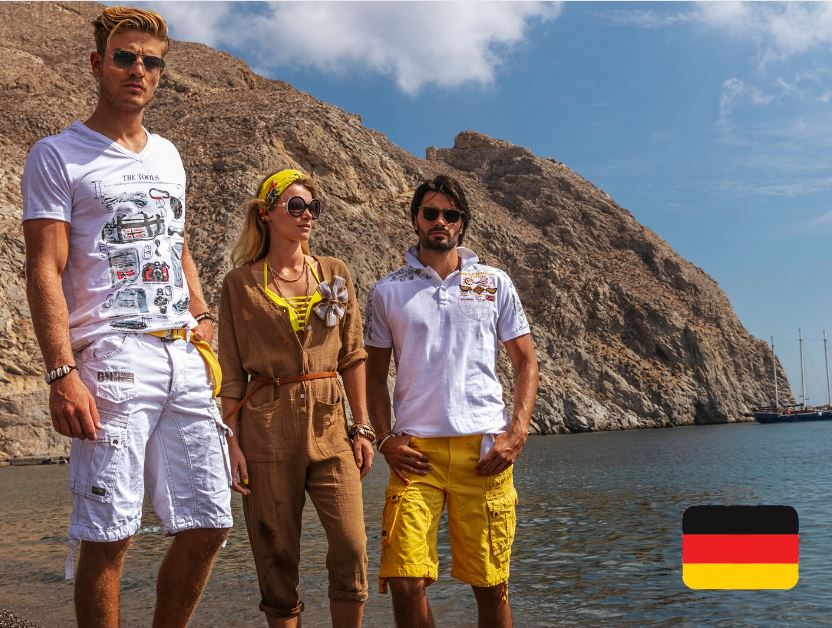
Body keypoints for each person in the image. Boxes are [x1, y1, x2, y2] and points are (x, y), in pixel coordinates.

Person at [21, 7, 232, 628]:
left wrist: (203, 315)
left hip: (183, 355)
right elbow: (45, 267)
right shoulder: (57, 155)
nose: (138, 69)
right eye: (125, 57)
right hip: (111, 356)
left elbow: (178, 245)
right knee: (109, 533)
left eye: (151, 61)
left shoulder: (169, 155)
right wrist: (61, 372)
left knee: (210, 524)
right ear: (98, 64)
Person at [365, 174, 539, 628]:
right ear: (416, 220)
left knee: (491, 584)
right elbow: (374, 375)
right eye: (430, 213)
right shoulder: (388, 290)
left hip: (483, 452)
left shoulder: (493, 282)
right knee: (404, 581)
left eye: (451, 214)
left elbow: (525, 363)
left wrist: (517, 433)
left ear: (462, 223)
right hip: (414, 455)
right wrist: (384, 438)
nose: (440, 221)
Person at [218, 168, 374, 627]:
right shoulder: (239, 284)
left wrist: (363, 427)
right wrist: (231, 442)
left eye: (313, 207)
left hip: (331, 425)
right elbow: (230, 373)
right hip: (265, 429)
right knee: (275, 552)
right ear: (267, 213)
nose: (307, 215)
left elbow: (353, 355)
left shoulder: (334, 273)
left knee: (351, 545)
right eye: (296, 206)